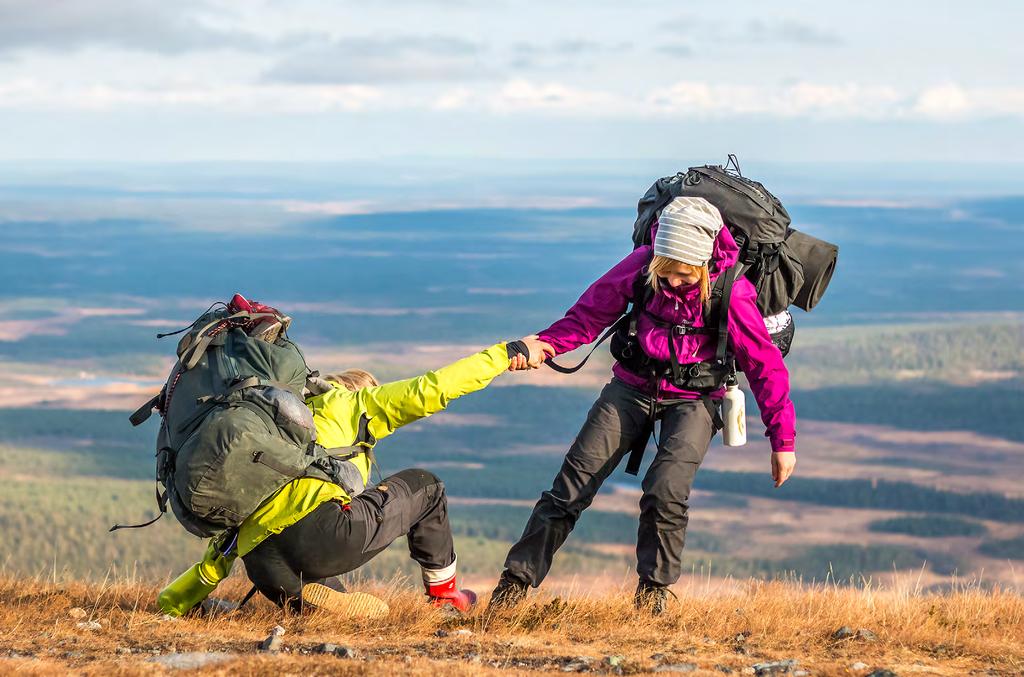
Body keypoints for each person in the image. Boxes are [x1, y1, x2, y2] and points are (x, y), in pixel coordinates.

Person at [489, 196, 797, 615]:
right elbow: (587, 316)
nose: (671, 284)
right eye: (664, 275)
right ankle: (513, 588)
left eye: (683, 277)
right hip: (632, 387)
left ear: (704, 265)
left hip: (696, 400)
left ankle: (653, 597)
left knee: (666, 492)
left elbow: (766, 368)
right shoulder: (639, 266)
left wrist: (783, 441)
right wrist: (543, 346)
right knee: (568, 489)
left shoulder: (734, 291)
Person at [158, 335, 549, 618]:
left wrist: (175, 601)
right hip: (322, 534)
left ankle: (304, 598)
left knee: (326, 593)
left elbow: (221, 550)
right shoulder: (359, 404)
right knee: (427, 487)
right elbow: (437, 387)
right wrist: (506, 354)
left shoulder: (281, 423)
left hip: (263, 565)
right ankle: (447, 599)